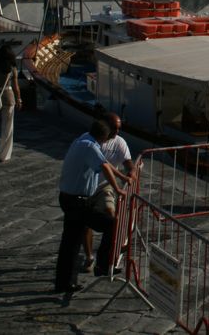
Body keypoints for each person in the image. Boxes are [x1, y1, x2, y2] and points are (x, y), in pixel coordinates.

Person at [54, 120, 124, 293]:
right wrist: (118, 189)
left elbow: (104, 163)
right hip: (77, 201)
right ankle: (102, 265)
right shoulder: (90, 146)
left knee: (70, 242)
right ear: (103, 136)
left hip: (69, 198)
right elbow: (105, 167)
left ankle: (64, 282)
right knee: (112, 224)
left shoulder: (83, 139)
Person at [81, 112, 134, 271]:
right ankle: (89, 257)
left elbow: (127, 161)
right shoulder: (89, 141)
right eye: (113, 128)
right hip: (85, 188)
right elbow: (104, 165)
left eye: (119, 128)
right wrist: (120, 184)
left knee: (111, 217)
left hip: (105, 187)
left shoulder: (119, 142)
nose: (117, 132)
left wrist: (131, 171)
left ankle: (106, 258)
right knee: (86, 225)